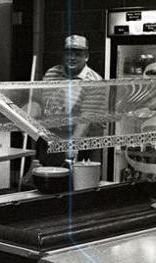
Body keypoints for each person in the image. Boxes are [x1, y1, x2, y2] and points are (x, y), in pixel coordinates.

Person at [36, 35, 106, 166]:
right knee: (46, 180)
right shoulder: (52, 73)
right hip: (51, 139)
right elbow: (43, 104)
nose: (72, 57)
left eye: (78, 54)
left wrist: (73, 146)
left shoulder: (94, 81)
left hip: (82, 143)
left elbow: (86, 119)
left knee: (79, 183)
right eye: (68, 53)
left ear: (86, 56)